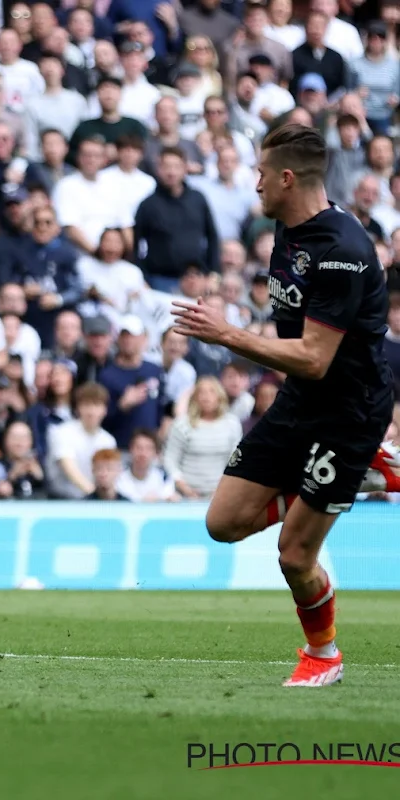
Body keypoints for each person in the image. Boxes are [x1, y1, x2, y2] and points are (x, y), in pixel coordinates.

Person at [171, 124, 400, 687]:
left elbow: (317, 357)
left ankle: (323, 656)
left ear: (287, 177)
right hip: (301, 401)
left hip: (349, 411)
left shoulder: (344, 250)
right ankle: (365, 474)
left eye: (261, 174)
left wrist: (228, 335)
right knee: (223, 523)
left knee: (293, 554)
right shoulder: (286, 229)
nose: (255, 185)